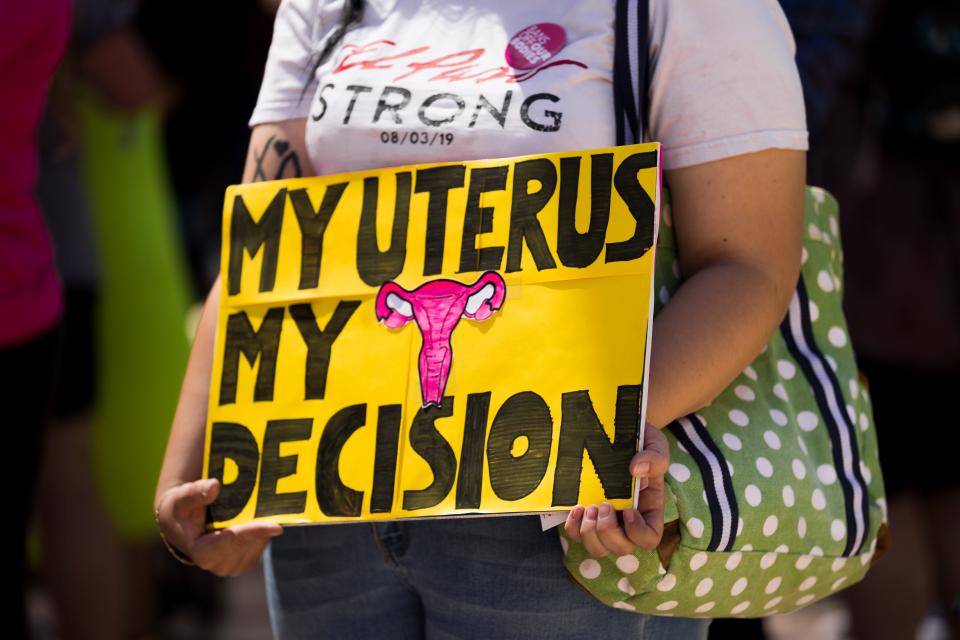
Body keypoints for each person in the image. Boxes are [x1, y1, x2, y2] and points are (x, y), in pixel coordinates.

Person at [155, 1, 808, 638]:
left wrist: (608, 440)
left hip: (550, 520)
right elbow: (268, 254)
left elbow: (749, 266)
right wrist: (188, 474)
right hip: (325, 508)